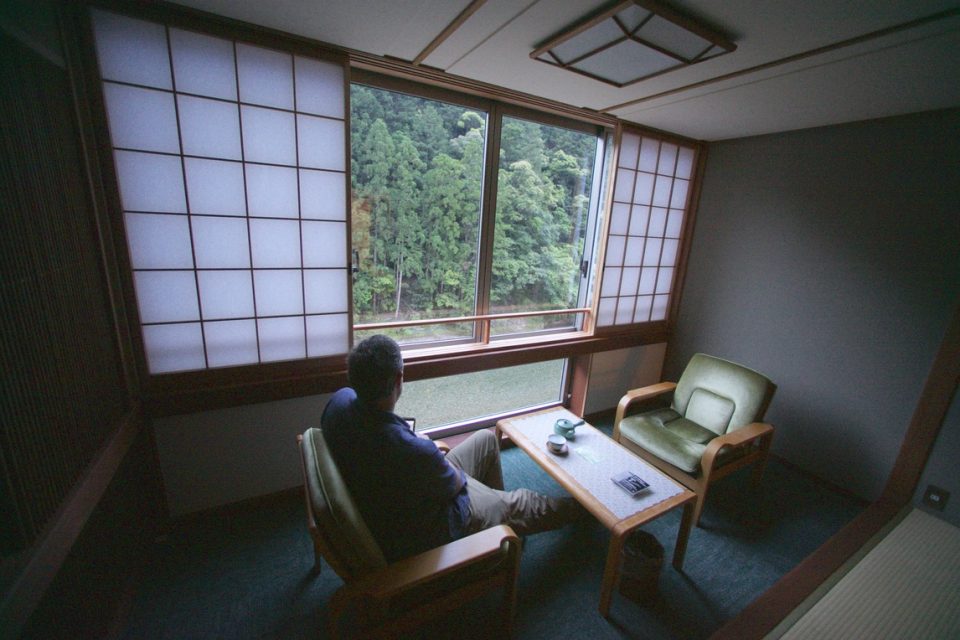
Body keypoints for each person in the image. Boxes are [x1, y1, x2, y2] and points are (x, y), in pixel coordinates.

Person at [321, 334, 586, 562]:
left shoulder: (339, 403)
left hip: (397, 494)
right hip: (436, 523)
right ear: (399, 378)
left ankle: (498, 526)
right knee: (524, 501)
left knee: (485, 439)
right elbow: (456, 484)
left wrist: (425, 451)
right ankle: (580, 511)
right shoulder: (412, 451)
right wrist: (426, 447)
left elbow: (411, 458)